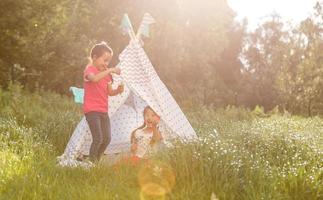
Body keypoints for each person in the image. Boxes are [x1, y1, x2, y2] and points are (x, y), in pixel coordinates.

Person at [83, 41, 124, 162]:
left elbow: (109, 92)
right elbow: (94, 79)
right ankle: (91, 163)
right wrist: (110, 70)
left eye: (108, 61)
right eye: (104, 60)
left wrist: (118, 90)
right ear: (94, 57)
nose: (106, 64)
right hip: (92, 110)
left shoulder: (106, 76)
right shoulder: (89, 70)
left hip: (103, 110)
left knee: (107, 138)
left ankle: (96, 160)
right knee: (98, 138)